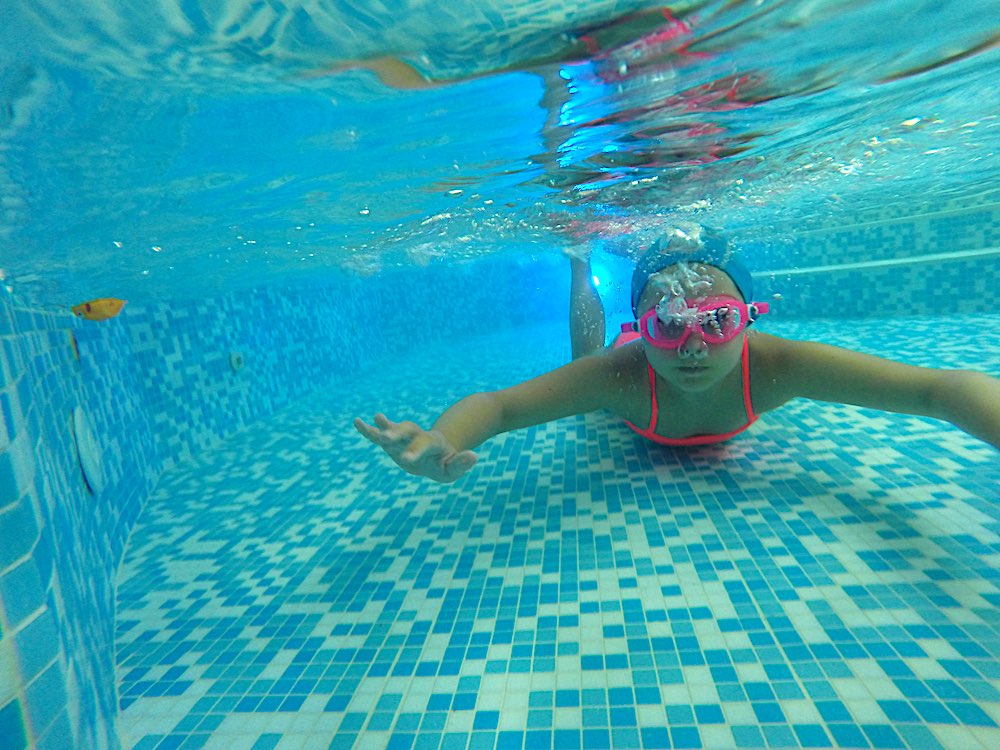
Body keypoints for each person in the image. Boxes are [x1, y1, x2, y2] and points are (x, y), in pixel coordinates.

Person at [354, 226, 1000, 483]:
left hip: (655, 368)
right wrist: (442, 438)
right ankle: (580, 266)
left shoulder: (780, 365)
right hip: (629, 374)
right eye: (668, 322)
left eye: (716, 321)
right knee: (587, 359)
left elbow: (937, 391)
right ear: (646, 324)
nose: (692, 344)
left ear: (747, 318)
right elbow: (497, 407)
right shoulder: (623, 371)